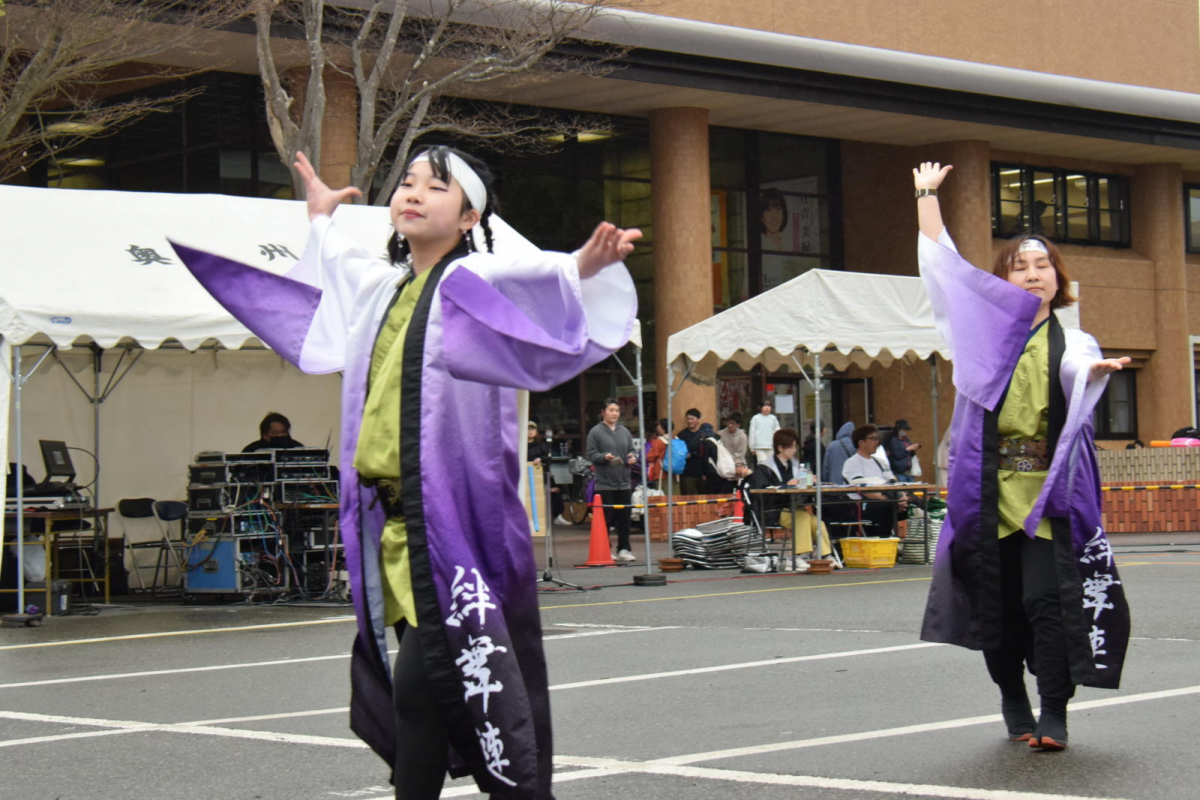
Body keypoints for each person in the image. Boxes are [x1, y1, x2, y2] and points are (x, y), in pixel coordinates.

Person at [177, 145, 639, 797]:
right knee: (421, 697)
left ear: (469, 214)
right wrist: (318, 219)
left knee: (423, 692)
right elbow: (336, 269)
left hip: (451, 525)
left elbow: (528, 281)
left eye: (436, 186)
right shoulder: (384, 290)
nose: (414, 192)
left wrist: (580, 267)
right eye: (407, 182)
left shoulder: (466, 282)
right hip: (392, 527)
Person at [914, 161, 1130, 752]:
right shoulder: (977, 333)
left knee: (1047, 600)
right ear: (1002, 278)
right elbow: (941, 266)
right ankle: (1013, 696)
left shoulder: (1075, 339)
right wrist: (927, 194)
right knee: (998, 605)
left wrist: (1095, 370)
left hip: (1048, 494)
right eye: (1020, 266)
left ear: (1058, 279)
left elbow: (1073, 369)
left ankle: (1055, 710)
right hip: (986, 490)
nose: (1033, 275)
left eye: (1042, 267)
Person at [748, 428, 834, 562]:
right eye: (791, 447)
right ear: (780, 448)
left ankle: (826, 555)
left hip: (792, 509)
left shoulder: (795, 466)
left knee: (817, 521)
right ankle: (799, 555)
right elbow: (761, 495)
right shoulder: (765, 468)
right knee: (803, 518)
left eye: (795, 447)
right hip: (772, 511)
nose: (794, 450)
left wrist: (809, 482)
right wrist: (786, 484)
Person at [587, 398, 639, 562]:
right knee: (606, 519)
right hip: (604, 483)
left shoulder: (624, 431)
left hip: (624, 481)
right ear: (603, 412)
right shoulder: (595, 431)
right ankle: (605, 549)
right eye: (611, 410)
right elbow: (591, 454)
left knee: (624, 518)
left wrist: (632, 457)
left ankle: (624, 548)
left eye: (616, 410)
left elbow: (632, 450)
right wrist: (604, 457)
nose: (614, 413)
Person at [841, 424, 907, 537]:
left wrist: (902, 496)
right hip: (863, 506)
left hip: (888, 501)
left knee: (915, 505)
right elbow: (863, 489)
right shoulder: (851, 463)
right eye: (874, 438)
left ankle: (917, 545)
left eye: (878, 438)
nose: (878, 442)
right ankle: (885, 542)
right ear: (861, 442)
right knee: (887, 507)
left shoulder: (880, 462)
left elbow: (892, 483)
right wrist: (891, 500)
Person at [676, 408, 706, 495]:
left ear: (698, 419)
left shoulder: (704, 434)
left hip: (702, 472)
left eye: (692, 419)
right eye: (688, 419)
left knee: (704, 498)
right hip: (687, 472)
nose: (689, 421)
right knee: (688, 498)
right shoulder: (682, 434)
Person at [748, 402, 780, 467]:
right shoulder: (755, 418)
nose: (767, 408)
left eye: (768, 406)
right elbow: (752, 432)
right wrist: (752, 447)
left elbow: (778, 432)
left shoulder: (773, 418)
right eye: (765, 406)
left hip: (771, 445)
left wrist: (778, 444)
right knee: (762, 463)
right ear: (760, 408)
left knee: (771, 463)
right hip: (759, 446)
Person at [645, 419, 670, 489]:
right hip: (675, 475)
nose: (657, 427)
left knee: (662, 498)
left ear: (663, 428)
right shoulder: (675, 438)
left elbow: (649, 457)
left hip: (661, 473)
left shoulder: (659, 442)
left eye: (659, 425)